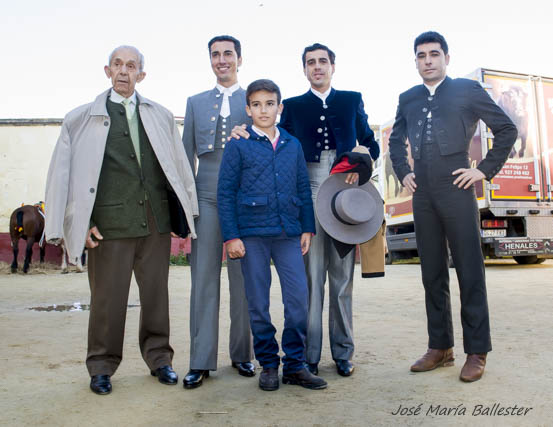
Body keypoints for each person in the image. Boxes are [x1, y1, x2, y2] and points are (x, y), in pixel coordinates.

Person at [44, 45, 198, 395]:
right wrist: (75, 222)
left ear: (141, 74)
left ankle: (160, 359)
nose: (124, 71)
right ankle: (101, 366)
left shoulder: (161, 115)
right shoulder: (80, 119)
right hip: (108, 228)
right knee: (106, 302)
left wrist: (188, 214)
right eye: (117, 64)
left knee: (157, 299)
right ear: (107, 71)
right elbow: (63, 177)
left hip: (155, 224)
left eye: (131, 65)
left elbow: (179, 167)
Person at [388, 31, 517, 382]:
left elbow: (507, 129)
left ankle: (476, 351)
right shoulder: (408, 97)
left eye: (433, 54)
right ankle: (440, 347)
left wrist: (482, 169)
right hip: (423, 192)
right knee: (431, 270)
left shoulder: (466, 89)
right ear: (416, 61)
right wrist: (403, 172)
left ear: (446, 58)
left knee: (469, 269)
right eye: (421, 55)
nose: (427, 60)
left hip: (457, 187)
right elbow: (395, 141)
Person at [218, 79, 327, 391]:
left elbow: (302, 188)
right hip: (251, 235)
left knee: (298, 301)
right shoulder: (238, 144)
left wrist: (307, 227)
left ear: (280, 108)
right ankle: (268, 364)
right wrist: (231, 237)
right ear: (248, 109)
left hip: (288, 234)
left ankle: (295, 364)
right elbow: (225, 193)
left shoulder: (292, 144)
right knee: (258, 303)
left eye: (269, 104)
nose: (263, 110)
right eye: (256, 104)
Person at [279, 43, 379, 377]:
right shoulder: (292, 107)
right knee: (310, 279)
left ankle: (343, 353)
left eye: (323, 61)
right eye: (311, 63)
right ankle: (309, 355)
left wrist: (360, 163)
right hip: (308, 191)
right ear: (304, 69)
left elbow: (371, 142)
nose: (317, 67)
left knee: (342, 280)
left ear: (333, 66)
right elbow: (281, 151)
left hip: (343, 194)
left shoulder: (351, 100)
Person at [181, 35, 253, 389]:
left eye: (228, 54)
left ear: (240, 59)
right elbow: (184, 158)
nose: (221, 60)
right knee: (204, 278)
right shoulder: (195, 102)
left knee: (243, 280)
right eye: (215, 55)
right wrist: (185, 206)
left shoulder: (254, 100)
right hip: (205, 194)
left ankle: (242, 355)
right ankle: (200, 360)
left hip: (243, 197)